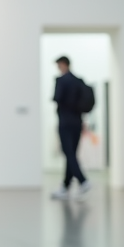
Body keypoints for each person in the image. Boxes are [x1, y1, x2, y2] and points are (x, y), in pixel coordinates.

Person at [51, 56, 91, 200]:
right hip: (78, 122)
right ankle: (65, 187)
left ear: (63, 64)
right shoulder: (79, 81)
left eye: (58, 65)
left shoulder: (62, 81)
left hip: (65, 122)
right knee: (71, 153)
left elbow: (56, 98)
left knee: (68, 153)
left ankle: (83, 180)